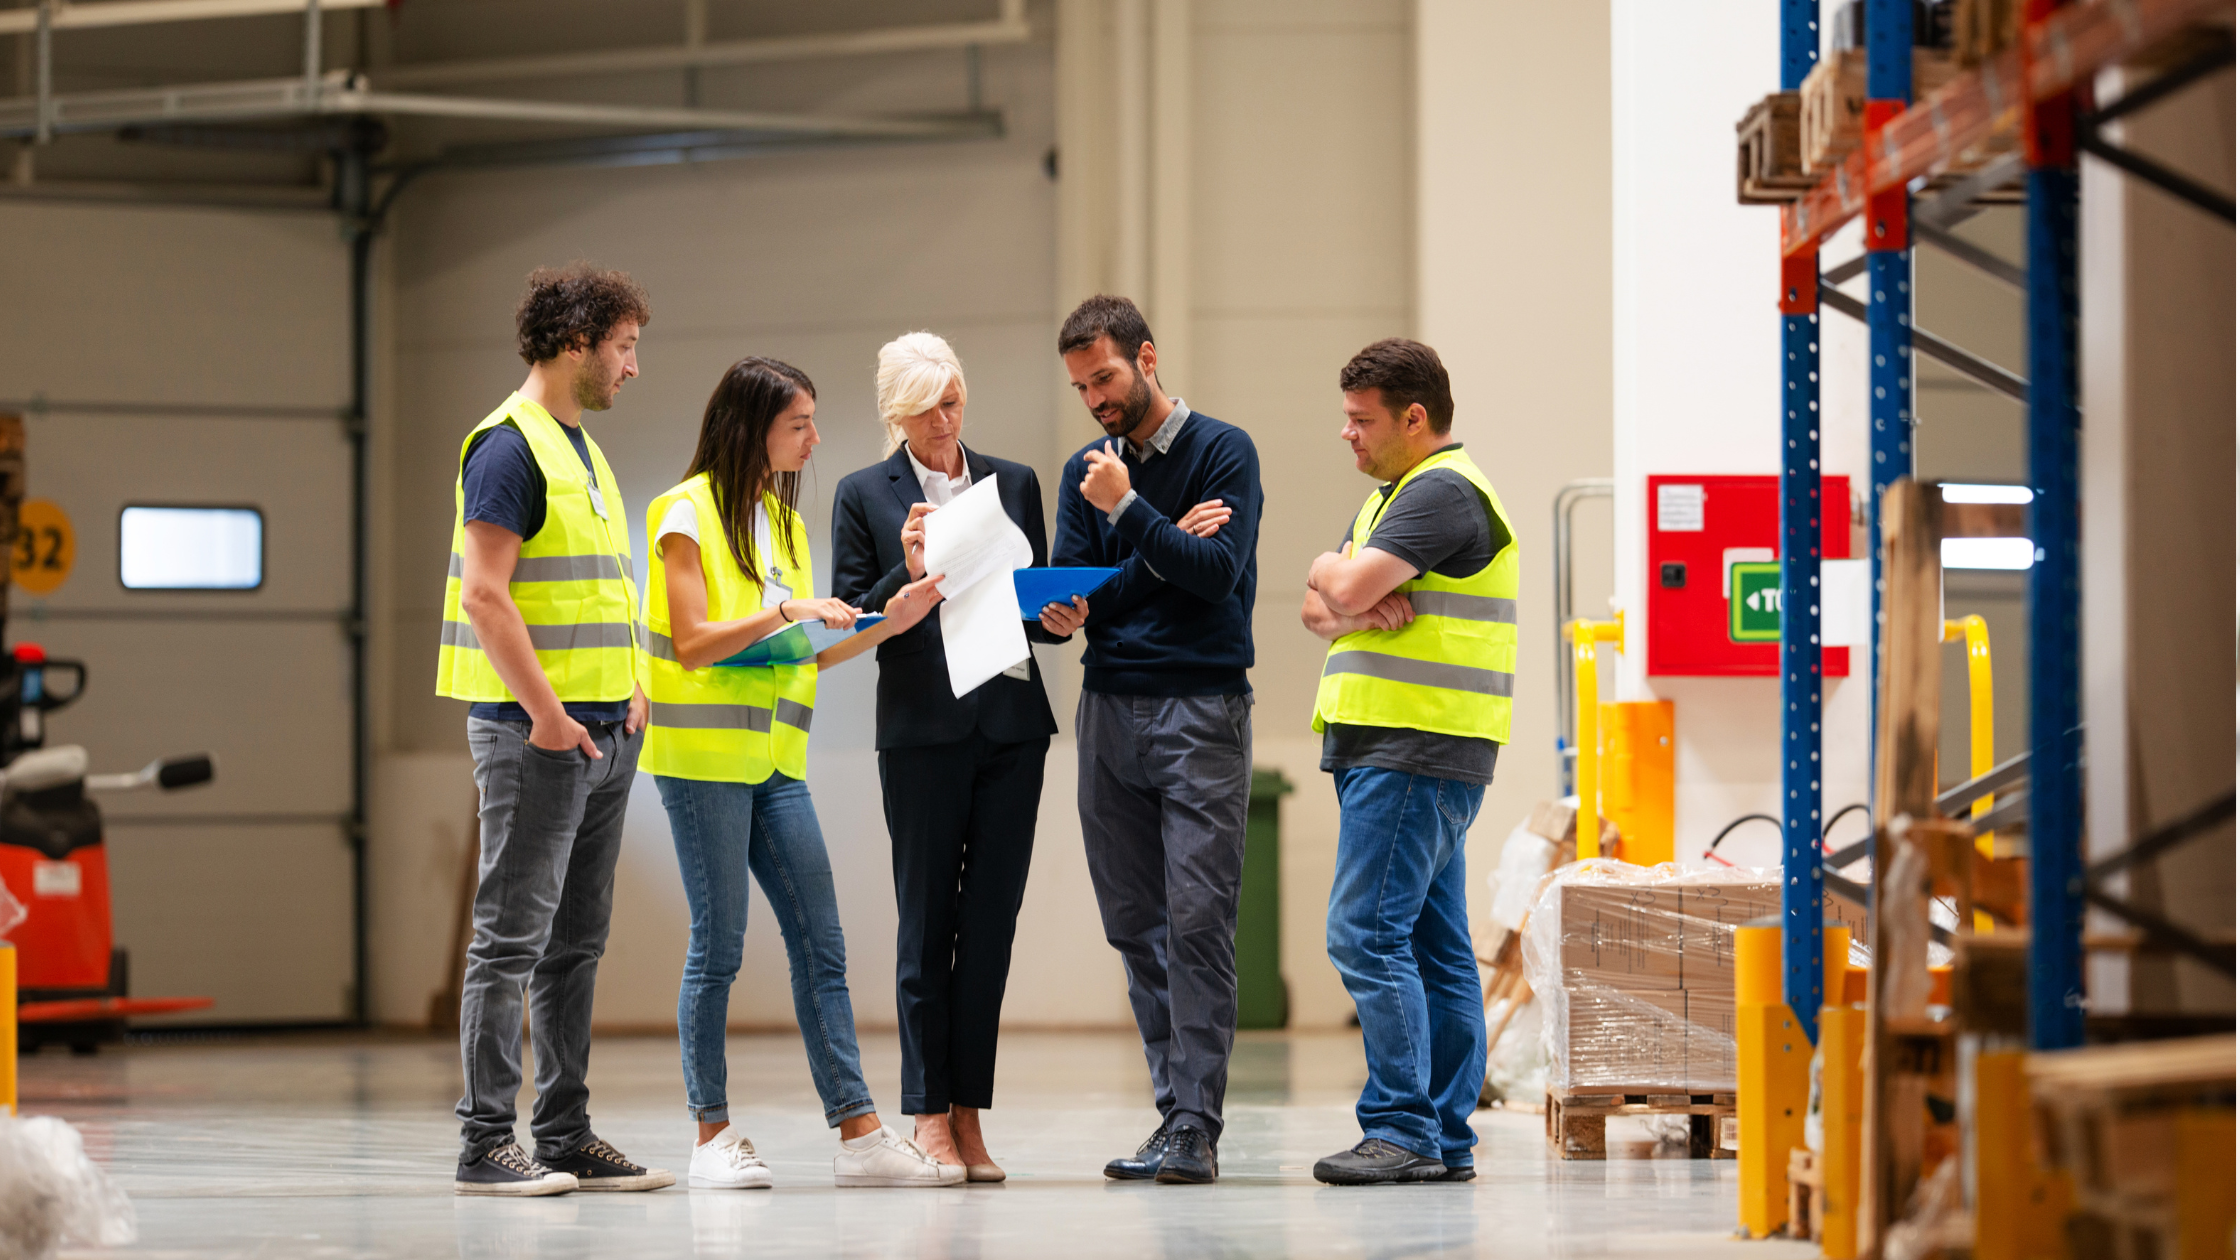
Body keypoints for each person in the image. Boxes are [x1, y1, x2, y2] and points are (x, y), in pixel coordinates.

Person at [641, 355, 957, 1191]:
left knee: (823, 941)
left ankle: (858, 1133)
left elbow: (808, 651)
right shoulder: (683, 512)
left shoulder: (780, 524)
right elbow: (694, 640)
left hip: (778, 764)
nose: (816, 439)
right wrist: (786, 610)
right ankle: (711, 1134)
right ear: (752, 427)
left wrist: (892, 620)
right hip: (703, 764)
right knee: (720, 947)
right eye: (800, 424)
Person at [436, 263, 672, 1196]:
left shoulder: (581, 449)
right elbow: (486, 596)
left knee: (576, 943)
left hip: (605, 732)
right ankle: (486, 1141)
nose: (632, 367)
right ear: (576, 344)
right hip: (537, 735)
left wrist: (633, 688)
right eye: (624, 348)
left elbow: (602, 587)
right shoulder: (508, 449)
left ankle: (565, 1132)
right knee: (509, 939)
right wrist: (545, 715)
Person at [826, 331, 1057, 1183]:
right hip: (922, 730)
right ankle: (925, 1113)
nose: (944, 422)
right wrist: (905, 572)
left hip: (1010, 726)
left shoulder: (1014, 483)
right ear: (897, 417)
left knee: (989, 926)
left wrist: (1058, 617)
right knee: (927, 923)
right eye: (925, 412)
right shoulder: (864, 494)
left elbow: (1028, 605)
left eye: (953, 402)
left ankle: (970, 1116)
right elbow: (856, 611)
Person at [1041, 294, 1261, 1185]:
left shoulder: (1221, 449)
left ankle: (1197, 1127)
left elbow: (1214, 579)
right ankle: (1175, 1113)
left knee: (1199, 920)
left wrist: (1132, 513)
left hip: (1201, 709)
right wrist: (1068, 611)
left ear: (1147, 356)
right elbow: (1078, 596)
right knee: (1135, 925)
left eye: (1105, 377)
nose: (1095, 399)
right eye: (1081, 386)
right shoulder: (1080, 470)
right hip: (1109, 710)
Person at [1299, 339, 1518, 1186]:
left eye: (1362, 421)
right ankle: (1442, 1135)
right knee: (1433, 946)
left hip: (1415, 748)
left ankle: (1402, 1127)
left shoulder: (1442, 495)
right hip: (1402, 747)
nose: (1346, 435)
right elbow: (1321, 615)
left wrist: (1334, 576)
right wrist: (1342, 590)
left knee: (1363, 932)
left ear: (1414, 418)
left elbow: (1337, 593)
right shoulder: (1392, 500)